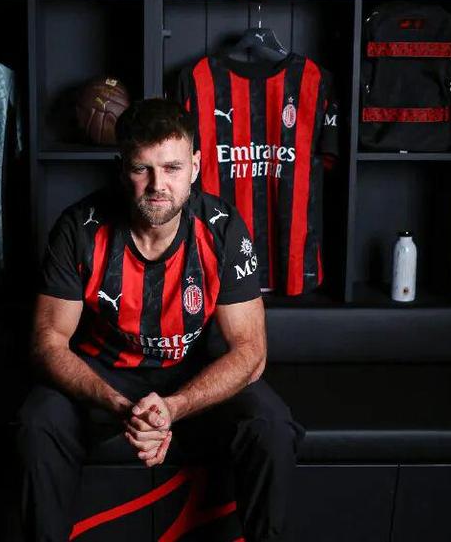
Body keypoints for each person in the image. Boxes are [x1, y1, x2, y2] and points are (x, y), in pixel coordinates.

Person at [16, 98, 305, 541]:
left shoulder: (223, 228)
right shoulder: (80, 228)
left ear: (195, 167)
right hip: (104, 377)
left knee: (271, 425)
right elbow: (47, 341)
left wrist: (173, 407)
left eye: (172, 168)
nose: (158, 185)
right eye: (142, 169)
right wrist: (122, 407)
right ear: (122, 169)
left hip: (192, 375)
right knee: (38, 422)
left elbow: (251, 352)